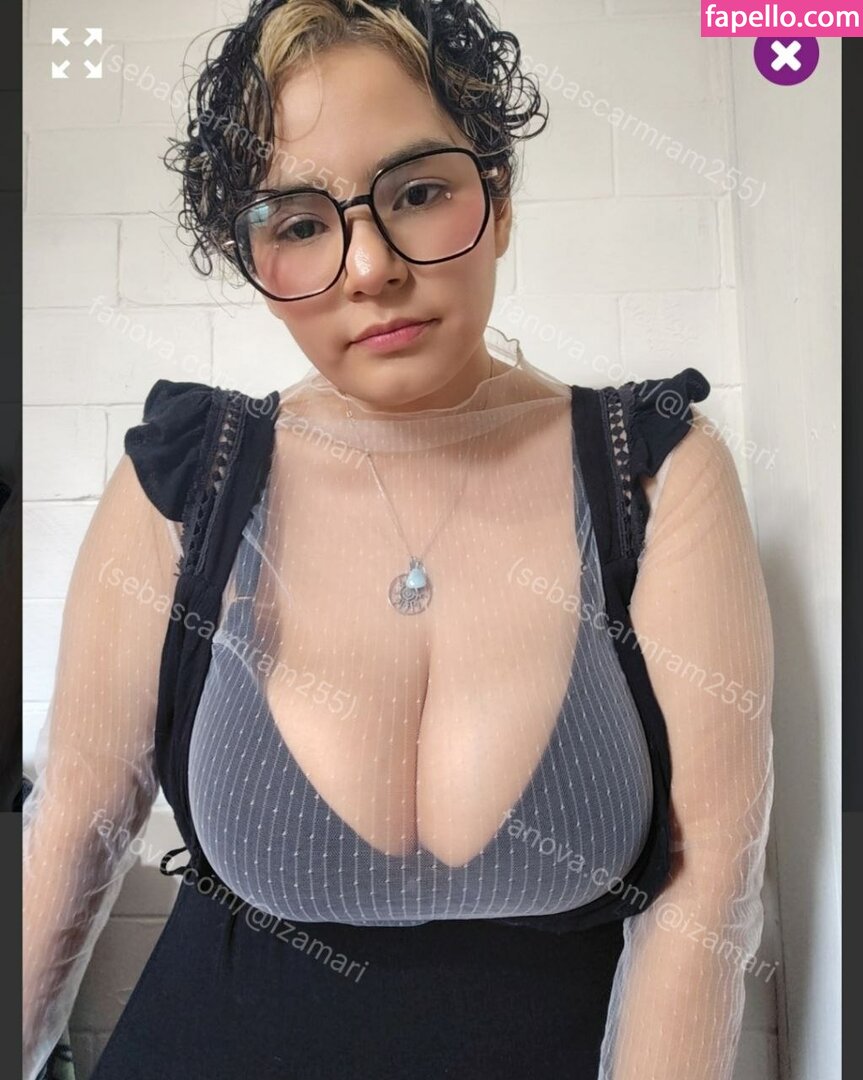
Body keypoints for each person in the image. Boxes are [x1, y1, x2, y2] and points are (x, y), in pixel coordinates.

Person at [22, 2, 775, 1078]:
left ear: (497, 200)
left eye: (416, 192)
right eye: (298, 223)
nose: (368, 265)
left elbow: (709, 888)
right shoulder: (190, 478)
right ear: (253, 260)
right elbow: (73, 831)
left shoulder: (649, 468)